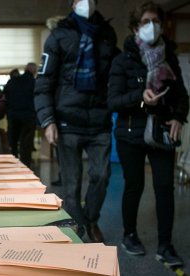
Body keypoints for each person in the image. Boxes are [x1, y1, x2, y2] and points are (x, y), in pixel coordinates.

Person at [108, 1, 188, 266]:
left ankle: (165, 245)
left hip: (162, 130)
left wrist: (178, 116)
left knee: (164, 187)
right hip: (131, 132)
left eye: (156, 21)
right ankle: (129, 235)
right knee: (135, 185)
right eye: (146, 22)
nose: (152, 26)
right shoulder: (122, 59)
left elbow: (181, 96)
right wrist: (140, 98)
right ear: (134, 28)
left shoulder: (170, 58)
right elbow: (113, 101)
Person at [34, 0, 119, 242]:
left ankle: (89, 219)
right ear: (73, 3)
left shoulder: (107, 34)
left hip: (99, 121)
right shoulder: (59, 36)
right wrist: (48, 120)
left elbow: (117, 71)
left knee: (101, 176)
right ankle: (80, 230)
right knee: (71, 186)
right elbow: (43, 83)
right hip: (67, 121)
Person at [4, 63, 37, 167]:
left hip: (13, 116)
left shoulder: (12, 81)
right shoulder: (34, 83)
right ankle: (25, 166)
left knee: (12, 142)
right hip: (28, 117)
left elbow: (4, 97)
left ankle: (13, 165)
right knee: (26, 144)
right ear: (34, 71)